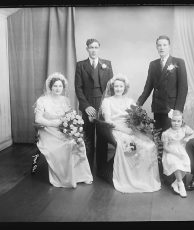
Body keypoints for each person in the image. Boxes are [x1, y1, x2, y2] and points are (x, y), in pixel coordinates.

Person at [100, 74, 161, 193]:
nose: (118, 89)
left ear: (124, 88)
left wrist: (137, 128)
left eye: (121, 86)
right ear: (113, 87)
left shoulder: (129, 101)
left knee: (148, 145)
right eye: (116, 86)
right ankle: (129, 178)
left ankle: (142, 177)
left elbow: (135, 118)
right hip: (116, 129)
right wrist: (124, 130)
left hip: (131, 129)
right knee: (129, 147)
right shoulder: (107, 101)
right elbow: (108, 121)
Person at [34, 72, 93, 188]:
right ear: (50, 87)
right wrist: (53, 123)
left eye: (60, 86)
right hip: (48, 130)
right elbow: (38, 119)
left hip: (64, 129)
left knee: (77, 142)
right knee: (65, 146)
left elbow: (70, 115)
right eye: (55, 86)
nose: (57, 88)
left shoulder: (65, 100)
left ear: (63, 87)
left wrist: (73, 124)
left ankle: (81, 176)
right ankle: (66, 178)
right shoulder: (43, 100)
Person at [75, 38, 113, 172]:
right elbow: (78, 88)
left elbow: (110, 89)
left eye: (96, 47)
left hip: (103, 103)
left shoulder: (107, 64)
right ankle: (88, 168)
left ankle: (102, 168)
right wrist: (86, 106)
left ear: (99, 49)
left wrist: (105, 106)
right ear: (87, 49)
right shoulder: (80, 65)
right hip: (88, 103)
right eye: (91, 47)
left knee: (102, 137)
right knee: (88, 136)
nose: (94, 50)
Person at [137, 35, 188, 133]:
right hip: (157, 107)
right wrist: (138, 104)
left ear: (169, 47)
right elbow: (148, 87)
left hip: (171, 109)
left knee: (169, 138)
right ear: (156, 47)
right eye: (159, 45)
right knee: (158, 137)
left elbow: (183, 88)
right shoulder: (153, 64)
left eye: (164, 45)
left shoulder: (178, 62)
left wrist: (178, 109)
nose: (162, 47)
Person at [161, 110, 194, 198]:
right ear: (170, 121)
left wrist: (188, 138)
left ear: (182, 121)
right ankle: (181, 184)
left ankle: (175, 183)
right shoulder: (166, 133)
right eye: (174, 121)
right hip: (170, 151)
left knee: (187, 162)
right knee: (175, 163)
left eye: (178, 121)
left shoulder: (184, 128)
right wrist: (176, 153)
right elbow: (165, 147)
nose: (176, 123)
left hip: (181, 150)